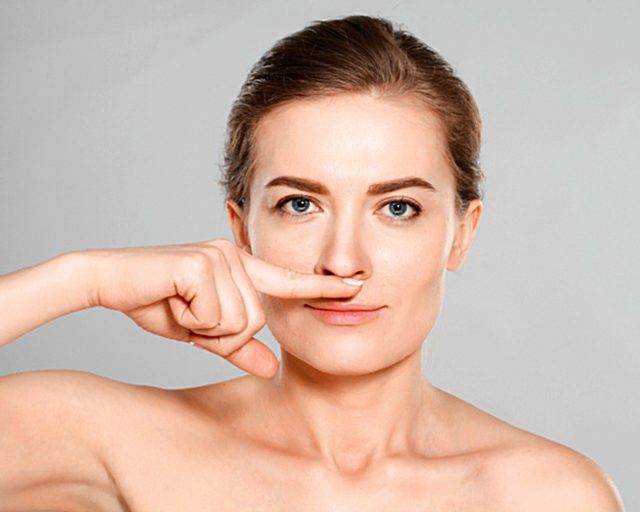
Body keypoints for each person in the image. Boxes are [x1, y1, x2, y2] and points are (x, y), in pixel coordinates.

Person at [0, 14, 624, 511]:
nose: (342, 261)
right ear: (241, 230)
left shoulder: (546, 496)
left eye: (398, 208)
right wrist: (82, 279)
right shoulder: (106, 443)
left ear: (462, 234)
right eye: (300, 204)